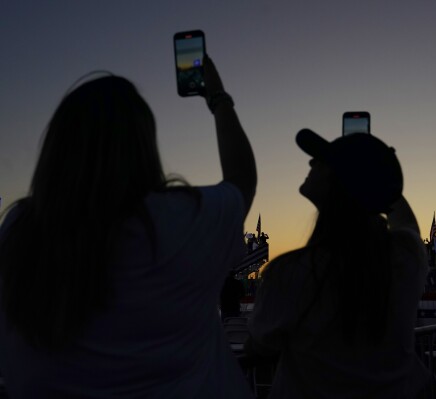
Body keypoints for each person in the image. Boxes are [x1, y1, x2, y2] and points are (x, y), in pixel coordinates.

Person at [0, 56, 256, 398]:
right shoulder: (183, 220)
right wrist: (218, 97)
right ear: (144, 147)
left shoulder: (19, 230)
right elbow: (242, 179)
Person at [245, 129, 429, 398]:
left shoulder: (288, 272)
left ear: (336, 180)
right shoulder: (405, 256)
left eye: (321, 160)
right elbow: (405, 220)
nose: (311, 163)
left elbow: (258, 347)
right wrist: (373, 172)